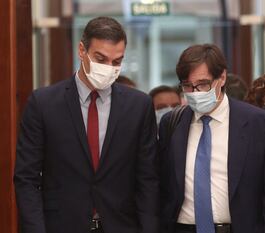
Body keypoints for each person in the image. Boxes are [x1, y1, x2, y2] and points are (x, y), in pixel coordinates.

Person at [14, 17, 159, 233]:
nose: (109, 68)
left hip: (122, 225)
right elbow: (26, 178)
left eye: (117, 61)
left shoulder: (139, 106)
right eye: (100, 59)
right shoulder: (43, 104)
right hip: (61, 225)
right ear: (82, 51)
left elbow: (148, 179)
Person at [158, 44, 265, 233]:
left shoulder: (259, 124)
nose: (195, 93)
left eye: (203, 84)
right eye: (187, 86)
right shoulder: (172, 123)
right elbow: (163, 189)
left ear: (222, 77)